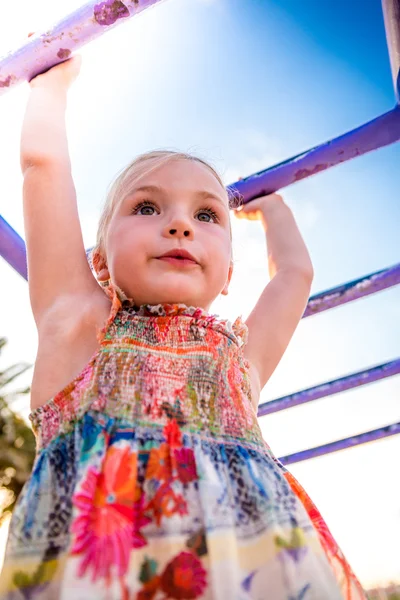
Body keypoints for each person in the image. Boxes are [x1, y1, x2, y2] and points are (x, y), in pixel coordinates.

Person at [0, 56, 366, 600]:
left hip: (255, 568)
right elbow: (43, 167)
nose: (179, 223)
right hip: (102, 569)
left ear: (228, 277)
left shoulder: (239, 360)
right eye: (146, 207)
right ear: (99, 263)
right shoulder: (80, 322)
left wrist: (273, 209)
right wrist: (54, 79)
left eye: (208, 215)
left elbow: (294, 275)